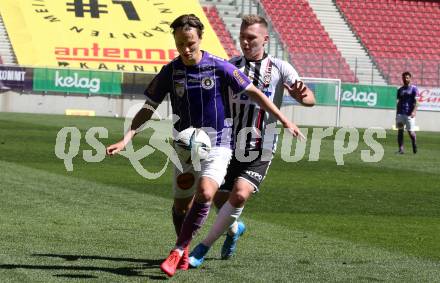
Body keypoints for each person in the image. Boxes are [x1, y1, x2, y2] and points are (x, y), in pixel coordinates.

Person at [106, 14, 303, 277]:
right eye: (180, 45)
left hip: (219, 143)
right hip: (184, 148)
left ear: (200, 39)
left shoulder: (219, 67)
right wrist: (127, 137)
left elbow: (255, 93)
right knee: (181, 207)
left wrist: (284, 119)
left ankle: (179, 249)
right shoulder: (171, 71)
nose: (186, 50)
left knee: (207, 193)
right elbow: (149, 107)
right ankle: (195, 244)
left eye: (190, 43)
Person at [188, 15, 315, 268]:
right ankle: (234, 229)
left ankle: (203, 247)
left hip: (261, 145)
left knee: (240, 195)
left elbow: (309, 98)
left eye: (251, 38)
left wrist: (303, 97)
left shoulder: (280, 68)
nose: (245, 42)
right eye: (242, 37)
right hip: (228, 142)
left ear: (265, 40)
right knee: (220, 200)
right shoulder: (231, 65)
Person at [396, 71, 418, 154]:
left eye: (407, 77)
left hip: (409, 114)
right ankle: (401, 150)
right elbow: (398, 102)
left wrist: (414, 111)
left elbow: (417, 101)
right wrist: (397, 114)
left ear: (410, 78)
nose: (405, 79)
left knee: (411, 132)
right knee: (400, 131)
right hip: (400, 114)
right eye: (404, 77)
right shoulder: (400, 90)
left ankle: (414, 142)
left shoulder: (414, 89)